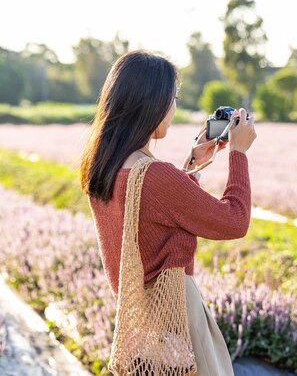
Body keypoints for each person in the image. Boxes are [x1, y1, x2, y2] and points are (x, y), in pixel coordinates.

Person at [80, 49, 256, 375]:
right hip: (177, 315)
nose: (173, 109)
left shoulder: (104, 167)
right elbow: (234, 221)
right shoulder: (156, 177)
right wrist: (239, 153)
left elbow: (148, 218)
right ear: (153, 102)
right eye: (172, 98)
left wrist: (191, 164)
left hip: (141, 319)